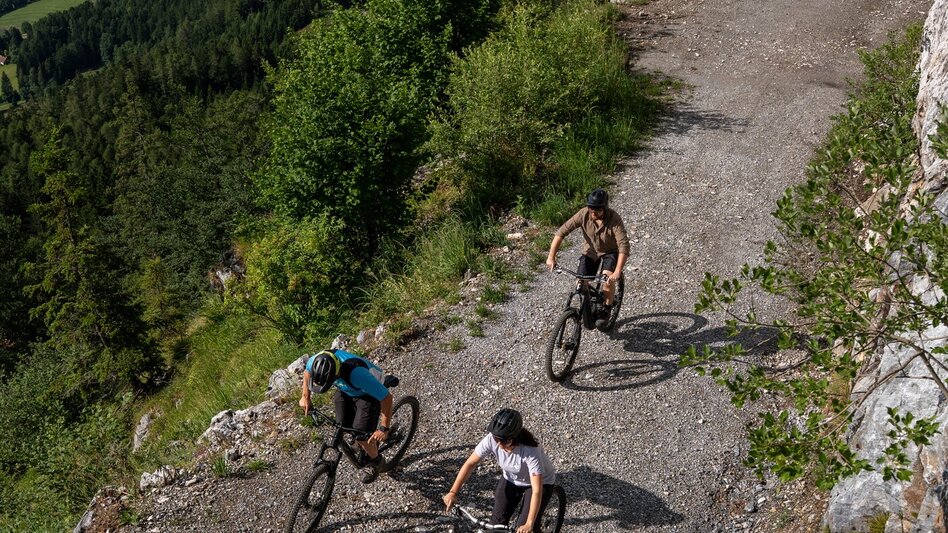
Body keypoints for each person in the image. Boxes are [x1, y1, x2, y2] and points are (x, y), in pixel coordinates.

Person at [443, 409, 557, 533]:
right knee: (495, 526)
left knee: (526, 527)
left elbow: (536, 490)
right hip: (511, 478)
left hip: (540, 483)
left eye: (505, 441)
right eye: (497, 440)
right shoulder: (492, 439)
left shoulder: (530, 451)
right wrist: (453, 492)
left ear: (516, 436)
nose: (500, 445)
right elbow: (470, 463)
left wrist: (529, 524)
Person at [299, 348, 392, 483]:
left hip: (367, 392)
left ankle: (376, 461)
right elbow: (307, 372)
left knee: (361, 434)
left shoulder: (357, 375)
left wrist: (384, 428)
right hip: (346, 388)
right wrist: (305, 397)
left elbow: (387, 398)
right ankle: (361, 442)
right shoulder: (317, 361)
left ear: (336, 373)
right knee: (342, 425)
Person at [546, 188, 629, 329]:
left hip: (611, 252)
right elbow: (561, 232)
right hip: (590, 251)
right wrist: (551, 257)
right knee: (580, 281)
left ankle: (606, 308)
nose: (593, 213)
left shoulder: (614, 219)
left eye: (597, 210)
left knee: (607, 280)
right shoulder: (583, 214)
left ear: (604, 208)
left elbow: (623, 247)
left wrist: (617, 272)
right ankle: (588, 308)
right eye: (591, 209)